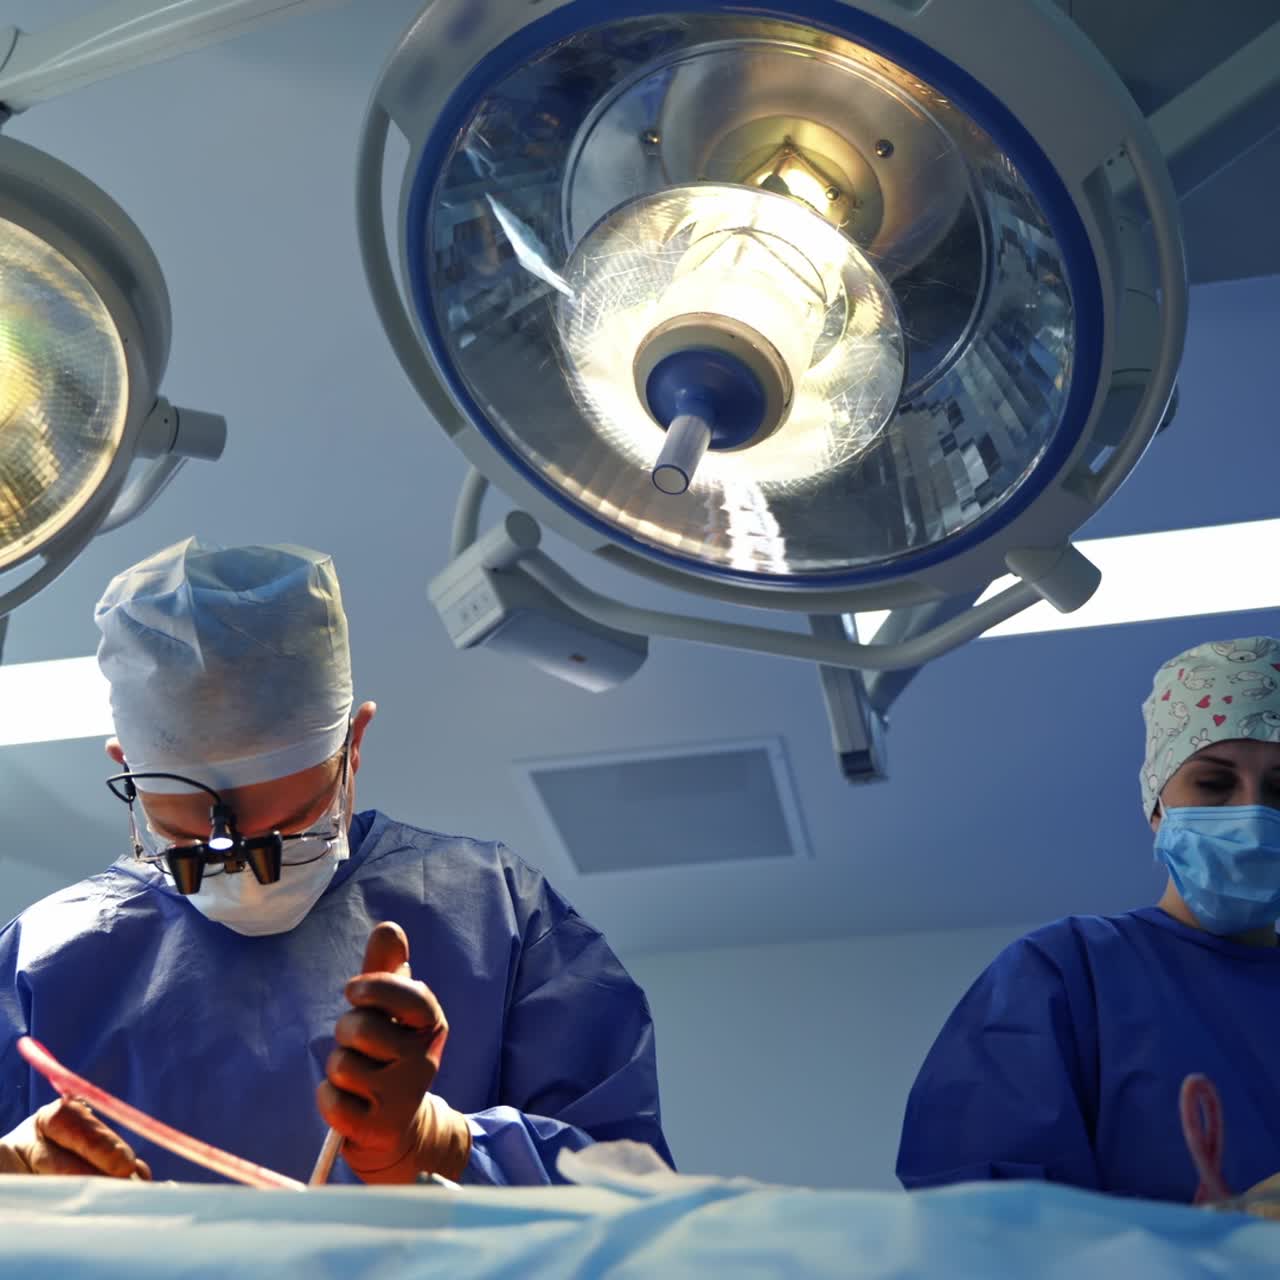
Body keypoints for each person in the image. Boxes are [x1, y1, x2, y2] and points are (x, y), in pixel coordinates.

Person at [0, 538, 672, 1185]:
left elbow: (635, 1211)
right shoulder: (41, 964)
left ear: (353, 748)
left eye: (288, 831)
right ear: (129, 773)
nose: (244, 875)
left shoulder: (498, 914)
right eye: (188, 842)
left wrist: (439, 1149)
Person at [897, 636, 1280, 1203]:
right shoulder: (1069, 971)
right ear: (1158, 805)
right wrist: (1208, 1246)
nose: (1251, 816)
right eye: (1215, 783)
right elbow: (981, 1212)